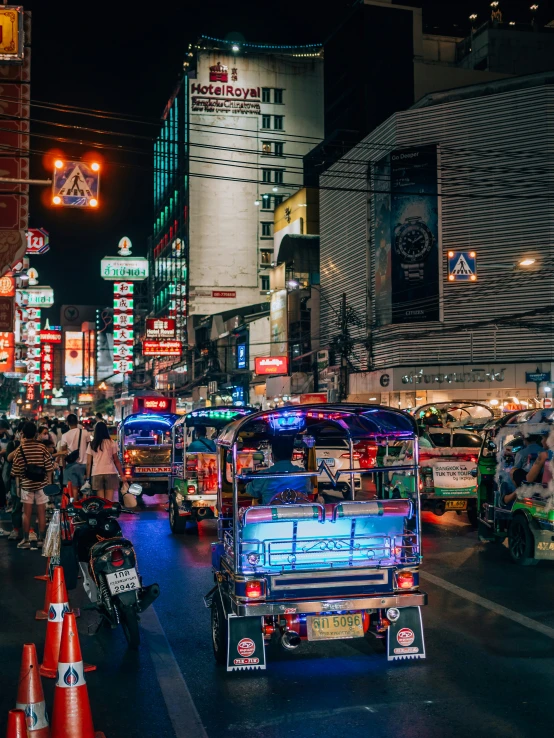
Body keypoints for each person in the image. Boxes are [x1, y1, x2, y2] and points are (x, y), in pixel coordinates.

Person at [10, 421, 54, 549]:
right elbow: (49, 467)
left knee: (26, 513)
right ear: (35, 434)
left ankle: (26, 540)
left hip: (26, 485)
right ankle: (41, 539)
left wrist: (18, 487)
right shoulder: (42, 447)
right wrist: (49, 483)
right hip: (42, 484)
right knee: (41, 512)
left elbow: (16, 471)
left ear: (23, 433)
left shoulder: (21, 449)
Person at [246, 435, 312, 506]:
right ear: (292, 456)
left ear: (272, 456)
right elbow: (309, 489)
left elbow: (251, 491)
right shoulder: (303, 474)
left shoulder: (264, 475)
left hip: (271, 515)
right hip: (301, 514)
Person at [85, 421, 124, 502]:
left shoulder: (92, 444)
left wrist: (87, 478)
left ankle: (102, 514)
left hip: (97, 473)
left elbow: (88, 463)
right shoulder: (112, 443)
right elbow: (116, 460)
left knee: (101, 501)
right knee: (109, 501)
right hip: (110, 472)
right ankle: (108, 514)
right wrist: (122, 474)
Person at [58, 413, 90, 490]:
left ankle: (74, 501)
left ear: (67, 423)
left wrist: (64, 467)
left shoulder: (65, 435)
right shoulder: (85, 432)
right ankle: (84, 501)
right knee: (84, 488)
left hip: (71, 465)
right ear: (77, 421)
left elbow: (64, 452)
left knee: (74, 489)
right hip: (84, 465)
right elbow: (89, 449)